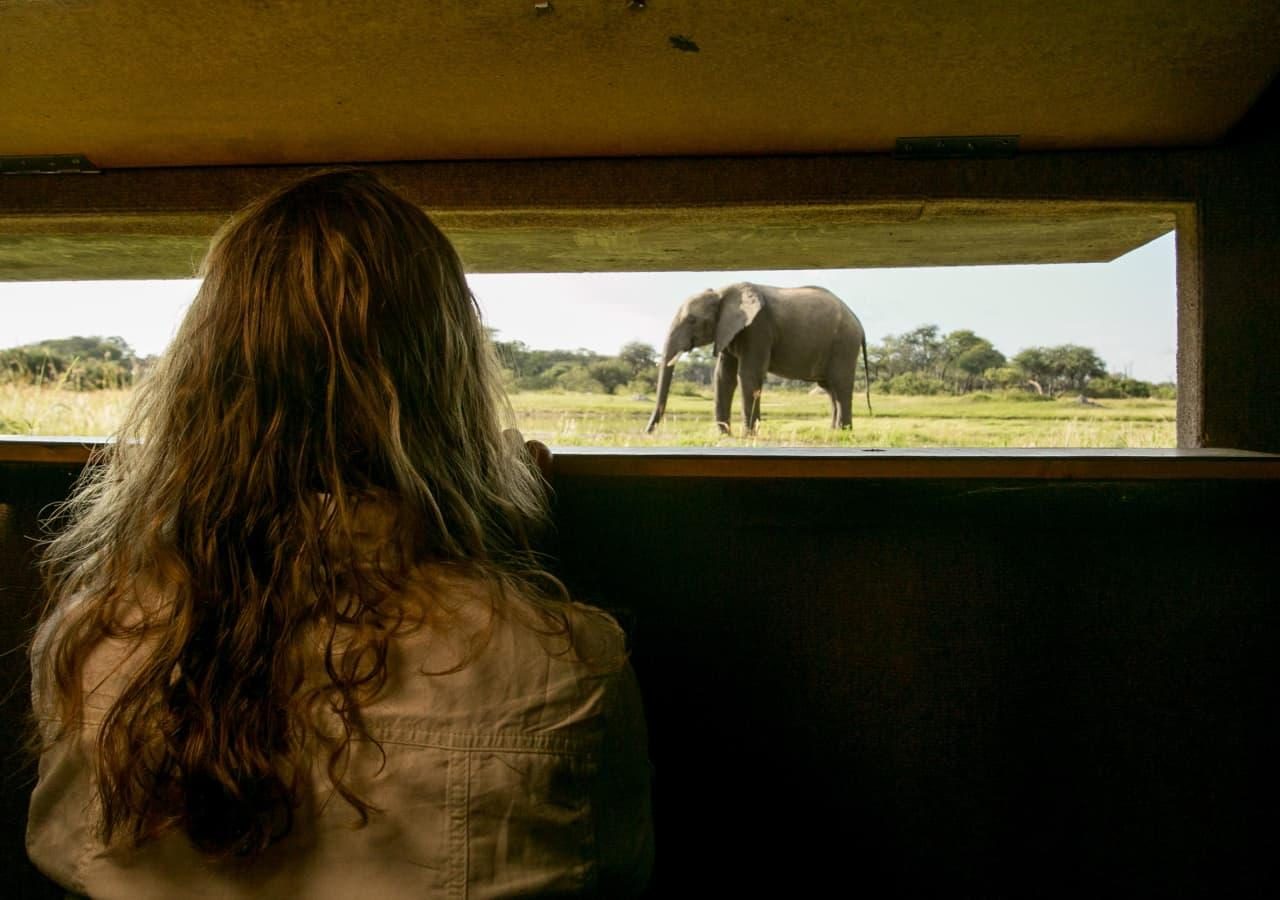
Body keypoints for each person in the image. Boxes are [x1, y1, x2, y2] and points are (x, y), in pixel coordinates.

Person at [26, 170, 653, 898]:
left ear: (201, 390)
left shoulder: (90, 644)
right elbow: (613, 873)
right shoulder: (567, 669)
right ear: (446, 396)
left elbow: (59, 862)